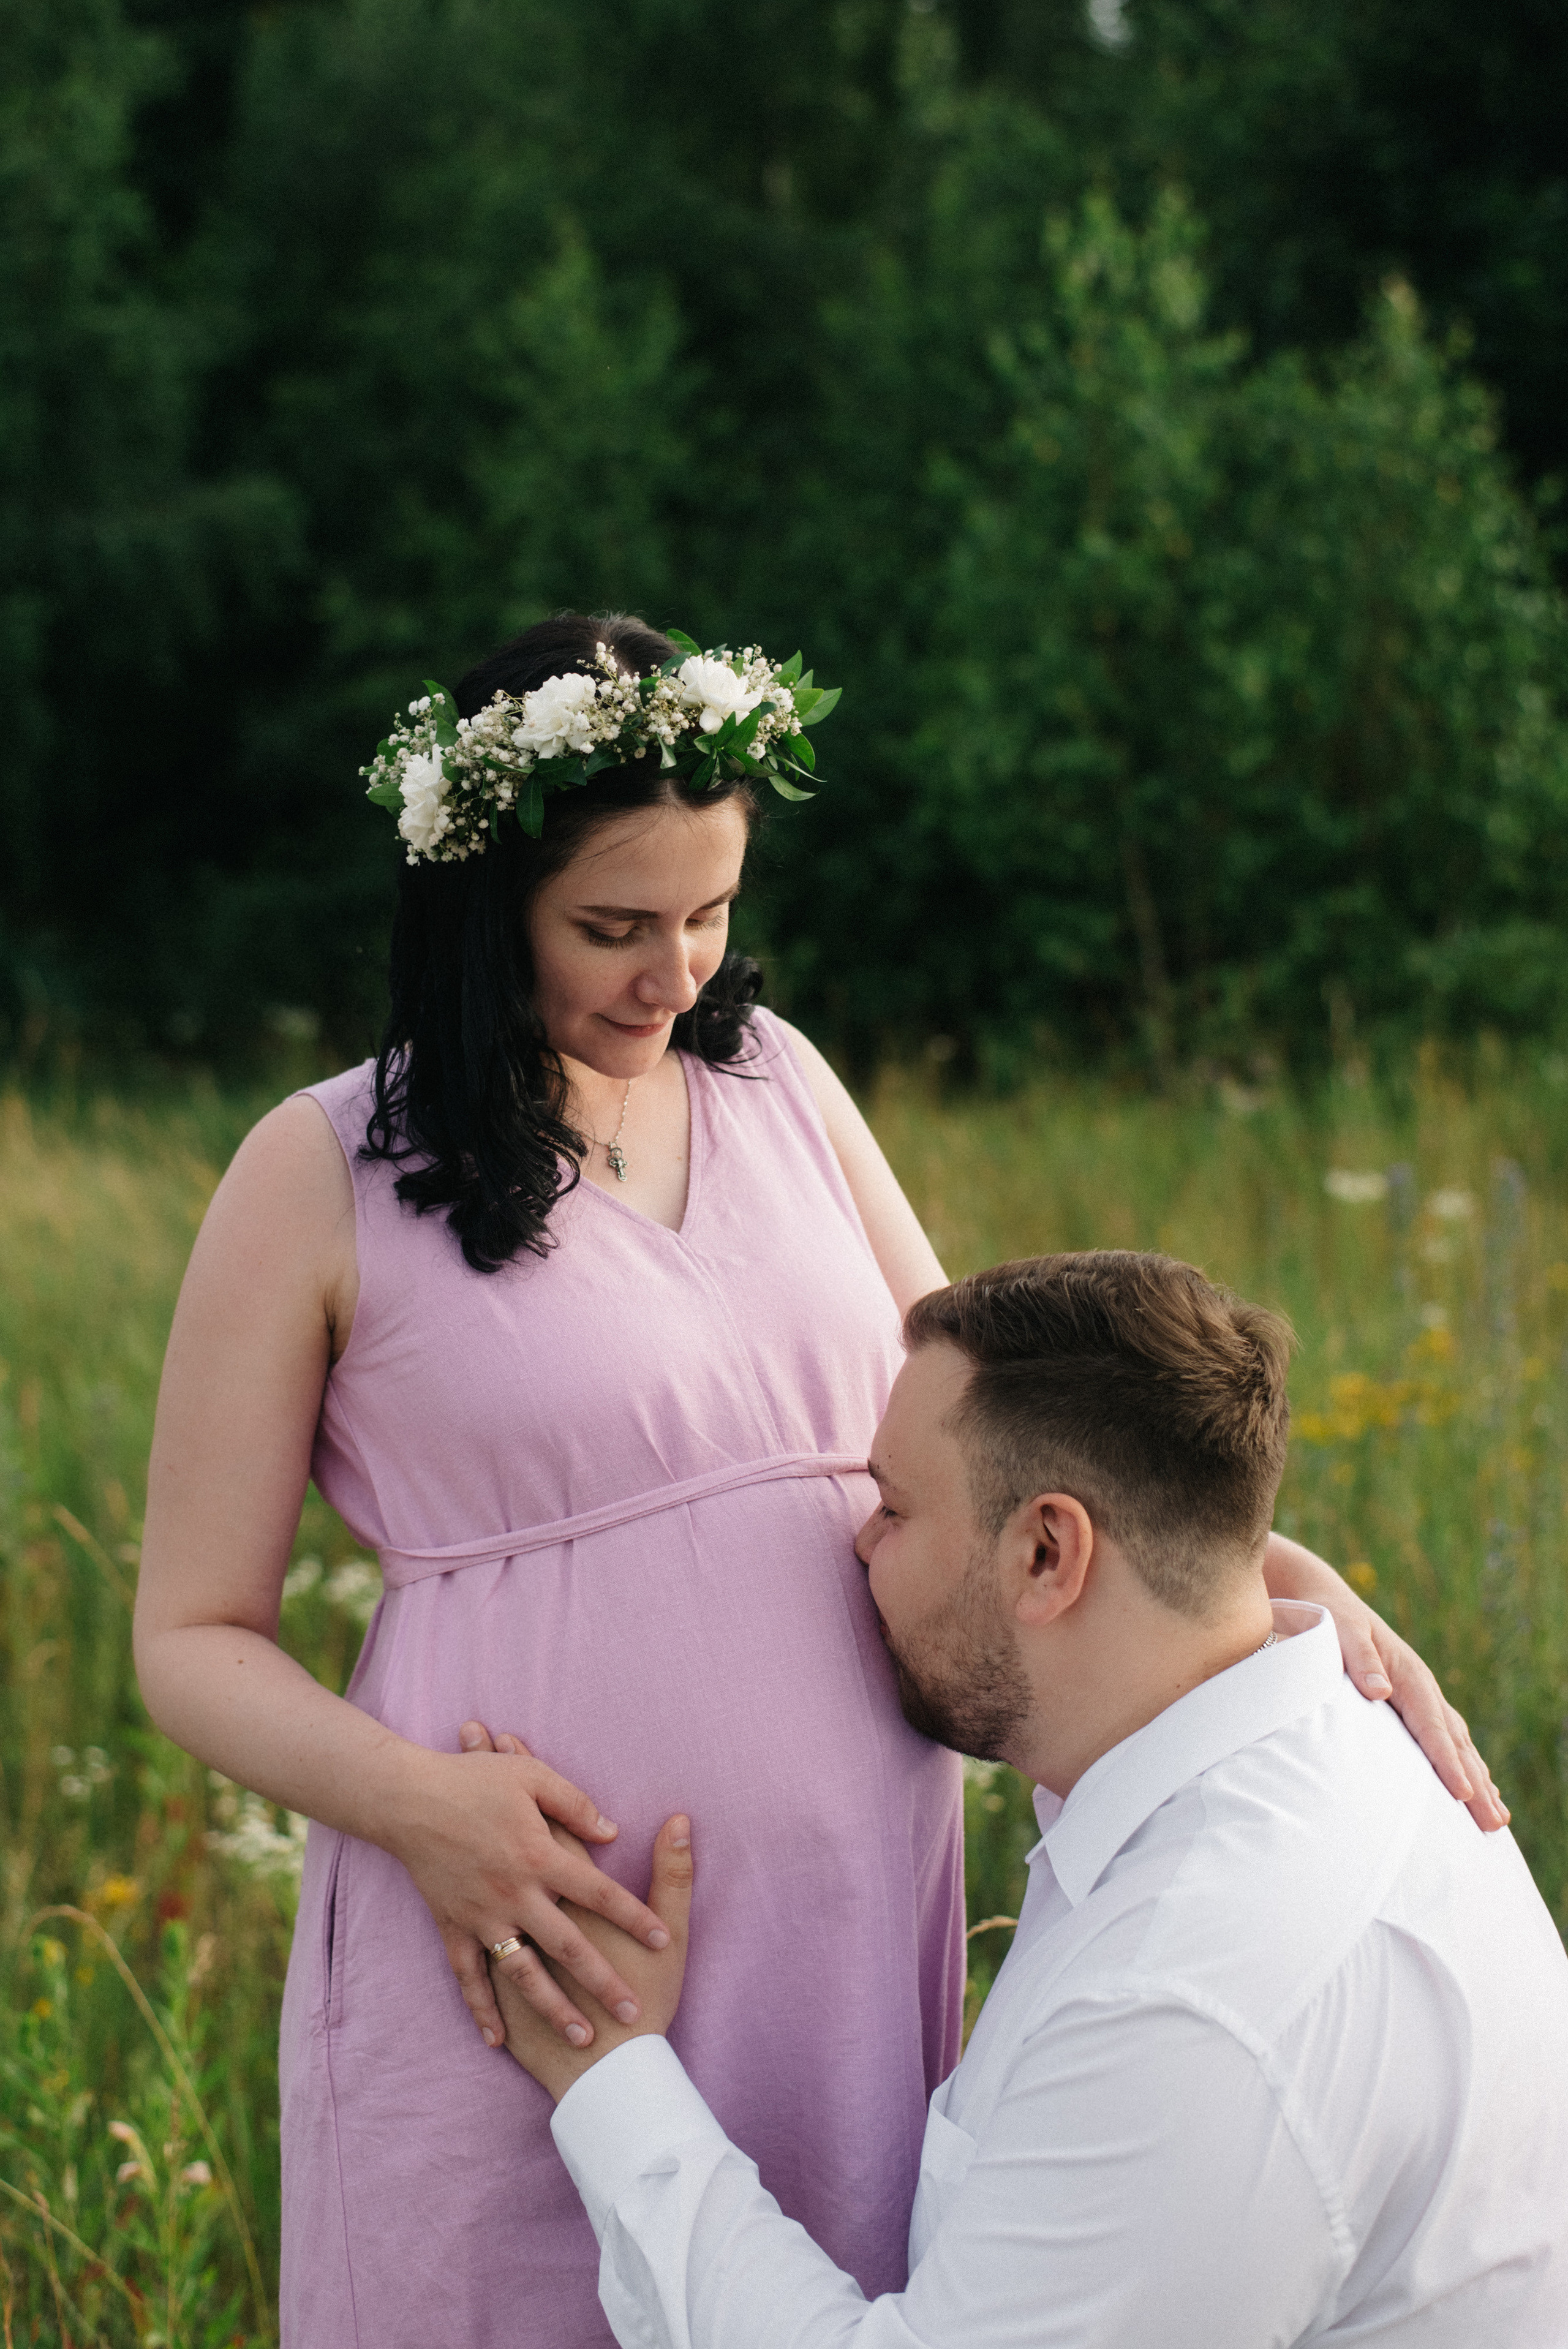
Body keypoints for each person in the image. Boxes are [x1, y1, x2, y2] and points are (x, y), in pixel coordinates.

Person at [133, 614, 1501, 2348]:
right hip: (528, 1927)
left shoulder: (780, 1086)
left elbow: (1005, 1434)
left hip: (843, 1926)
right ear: (482, 912)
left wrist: (1274, 1568)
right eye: (611, 928)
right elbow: (187, 1632)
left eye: (709, 913)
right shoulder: (317, 1169)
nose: (674, 974)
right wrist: (420, 1808)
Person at [486, 1250, 1568, 2349]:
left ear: (1049, 1552)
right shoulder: (1317, 1744)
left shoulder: (1193, 1994)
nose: (859, 1544)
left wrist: (609, 2075)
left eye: (895, 1509)